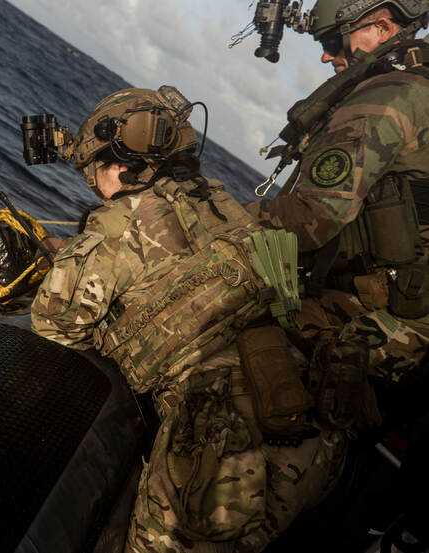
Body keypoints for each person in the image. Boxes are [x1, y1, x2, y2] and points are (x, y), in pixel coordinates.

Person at [30, 87, 348, 553]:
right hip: (311, 434)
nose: (95, 189)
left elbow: (53, 326)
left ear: (122, 166)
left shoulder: (116, 228)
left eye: (95, 172)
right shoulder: (219, 202)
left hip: (220, 465)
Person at [245, 0, 429, 387]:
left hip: (401, 323)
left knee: (233, 345)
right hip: (409, 305)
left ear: (382, 28)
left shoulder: (391, 95)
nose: (327, 55)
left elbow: (315, 218)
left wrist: (224, 221)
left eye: (333, 40)